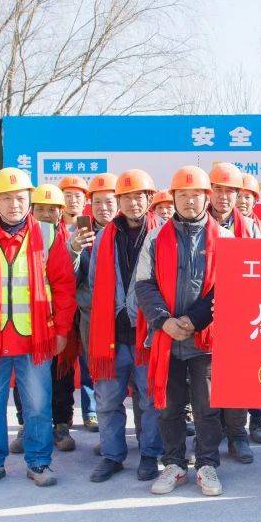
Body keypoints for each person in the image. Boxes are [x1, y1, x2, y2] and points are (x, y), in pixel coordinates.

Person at [0, 168, 77, 490]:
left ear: (29, 200)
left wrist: (62, 331)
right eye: (6, 199)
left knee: (38, 405)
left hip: (36, 339)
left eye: (20, 198)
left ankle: (39, 462)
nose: (14, 205)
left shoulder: (48, 235)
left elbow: (63, 287)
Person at [134, 166, 232, 497]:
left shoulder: (224, 238)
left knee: (207, 408)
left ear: (208, 198)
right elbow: (144, 284)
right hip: (166, 338)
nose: (190, 201)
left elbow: (227, 287)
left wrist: (194, 320)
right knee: (168, 407)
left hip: (206, 340)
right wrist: (164, 321)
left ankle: (207, 464)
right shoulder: (155, 237)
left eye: (196, 195)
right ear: (173, 198)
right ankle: (174, 463)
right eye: (183, 195)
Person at [87, 169, 167, 483]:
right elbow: (94, 282)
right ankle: (112, 455)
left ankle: (149, 454)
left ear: (150, 199)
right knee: (107, 400)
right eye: (127, 197)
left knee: (150, 399)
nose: (133, 203)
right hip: (111, 336)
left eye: (139, 197)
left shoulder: (163, 233)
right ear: (118, 200)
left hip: (148, 335)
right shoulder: (105, 236)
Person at [9, 184, 79, 454]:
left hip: (61, 320)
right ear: (31, 211)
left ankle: (60, 424)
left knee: (61, 375)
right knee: (24, 377)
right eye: (41, 209)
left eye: (53, 210)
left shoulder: (71, 238)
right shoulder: (20, 239)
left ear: (61, 213)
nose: (47, 214)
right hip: (27, 322)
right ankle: (26, 424)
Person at [206, 161, 258, 464]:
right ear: (209, 192)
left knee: (236, 379)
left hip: (238, 314)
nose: (224, 197)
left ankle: (238, 435)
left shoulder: (249, 229)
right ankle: (210, 436)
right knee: (205, 382)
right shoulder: (196, 222)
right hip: (203, 315)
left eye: (231, 191)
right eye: (218, 189)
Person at [72, 171, 120, 433]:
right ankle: (92, 413)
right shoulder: (82, 233)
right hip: (92, 314)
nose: (103, 208)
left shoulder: (127, 230)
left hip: (123, 314)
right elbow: (71, 278)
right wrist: (74, 250)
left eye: (109, 202)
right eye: (97, 202)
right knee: (93, 365)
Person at [235, 172, 261, 444]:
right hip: (229, 309)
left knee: (259, 367)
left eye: (247, 197)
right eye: (238, 196)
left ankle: (259, 418)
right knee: (232, 370)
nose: (242, 201)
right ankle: (231, 425)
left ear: (255, 200)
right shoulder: (219, 229)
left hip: (260, 309)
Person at [57, 175, 98, 434]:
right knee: (61, 365)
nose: (73, 200)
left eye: (78, 196)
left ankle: (91, 411)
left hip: (84, 307)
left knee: (88, 361)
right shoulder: (51, 228)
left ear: (85, 201)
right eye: (68, 195)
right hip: (60, 307)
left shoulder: (92, 229)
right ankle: (62, 418)